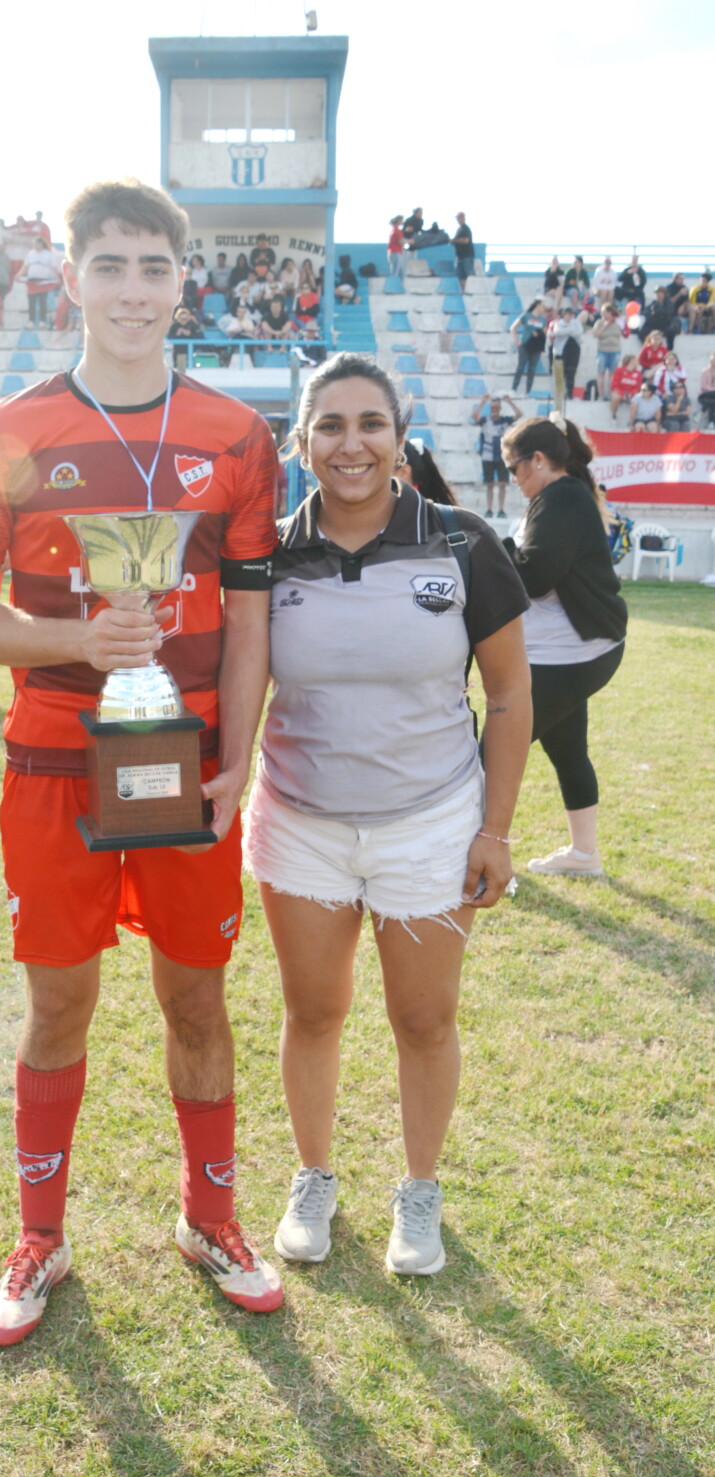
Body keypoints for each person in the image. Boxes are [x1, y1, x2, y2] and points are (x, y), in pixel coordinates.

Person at [0, 177, 284, 1346]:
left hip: (188, 766)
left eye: (153, 267)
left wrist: (235, 761)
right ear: (71, 277)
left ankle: (208, 1217)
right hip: (52, 761)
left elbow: (248, 623)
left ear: (183, 281)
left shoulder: (235, 436)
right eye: (109, 265)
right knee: (58, 1004)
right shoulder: (7, 432)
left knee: (197, 996)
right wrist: (77, 643)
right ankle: (40, 1233)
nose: (132, 290)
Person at [242, 353, 531, 1274]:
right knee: (312, 1012)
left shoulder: (461, 540)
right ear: (301, 444)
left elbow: (510, 694)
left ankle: (419, 1190)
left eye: (370, 423)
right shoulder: (266, 552)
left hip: (430, 825)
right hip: (300, 825)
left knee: (424, 1020)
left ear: (399, 438)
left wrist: (493, 830)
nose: (351, 443)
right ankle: (313, 1177)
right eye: (329, 425)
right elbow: (238, 682)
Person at [501, 414, 627, 878]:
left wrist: (493, 547)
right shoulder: (556, 497)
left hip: (572, 654)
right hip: (566, 651)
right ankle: (584, 855)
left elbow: (533, 576)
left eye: (513, 468)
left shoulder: (563, 497)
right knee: (568, 749)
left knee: (495, 753)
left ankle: (475, 855)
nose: (512, 479)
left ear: (537, 459)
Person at [471, 391, 522, 517]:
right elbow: (474, 416)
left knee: (502, 484)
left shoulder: (505, 420)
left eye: (497, 408)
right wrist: (483, 402)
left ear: (500, 409)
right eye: (493, 408)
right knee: (490, 484)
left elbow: (519, 414)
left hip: (502, 455)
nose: (495, 410)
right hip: (487, 455)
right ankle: (489, 509)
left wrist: (510, 402)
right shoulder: (485, 421)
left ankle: (501, 509)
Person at [549, 308, 583, 412]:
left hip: (574, 351)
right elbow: (557, 332)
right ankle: (559, 395)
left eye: (571, 314)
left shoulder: (576, 323)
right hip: (561, 351)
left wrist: (566, 331)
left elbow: (579, 333)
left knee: (571, 372)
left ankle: (569, 394)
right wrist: (571, 330)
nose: (569, 316)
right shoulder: (559, 323)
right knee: (561, 374)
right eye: (568, 314)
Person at [510, 302, 547, 395]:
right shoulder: (526, 316)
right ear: (538, 305)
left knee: (532, 370)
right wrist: (515, 340)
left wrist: (539, 334)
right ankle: (513, 389)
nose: (544, 308)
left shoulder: (543, 319)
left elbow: (546, 333)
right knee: (520, 367)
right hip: (525, 345)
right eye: (543, 306)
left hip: (536, 347)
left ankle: (528, 391)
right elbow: (513, 327)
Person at [592, 304, 623, 400]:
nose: (602, 314)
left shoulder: (618, 322)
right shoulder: (599, 322)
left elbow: (625, 332)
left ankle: (610, 395)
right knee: (601, 373)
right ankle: (601, 396)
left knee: (612, 374)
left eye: (604, 312)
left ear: (610, 312)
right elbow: (595, 334)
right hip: (602, 351)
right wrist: (605, 325)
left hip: (615, 351)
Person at [609, 353, 643, 423]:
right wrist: (623, 394)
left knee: (638, 400)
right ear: (631, 361)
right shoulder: (619, 370)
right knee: (616, 397)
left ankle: (632, 421)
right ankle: (614, 415)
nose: (638, 362)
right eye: (636, 360)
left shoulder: (638, 373)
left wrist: (630, 394)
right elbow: (614, 385)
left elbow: (638, 387)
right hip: (619, 392)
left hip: (630, 394)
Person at [452, 212, 475, 287]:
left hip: (466, 256)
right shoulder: (459, 229)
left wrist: (454, 241)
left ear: (463, 218)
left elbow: (465, 240)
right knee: (460, 276)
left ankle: (472, 289)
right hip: (460, 257)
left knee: (469, 275)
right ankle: (463, 291)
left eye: (459, 218)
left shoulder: (466, 229)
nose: (458, 220)